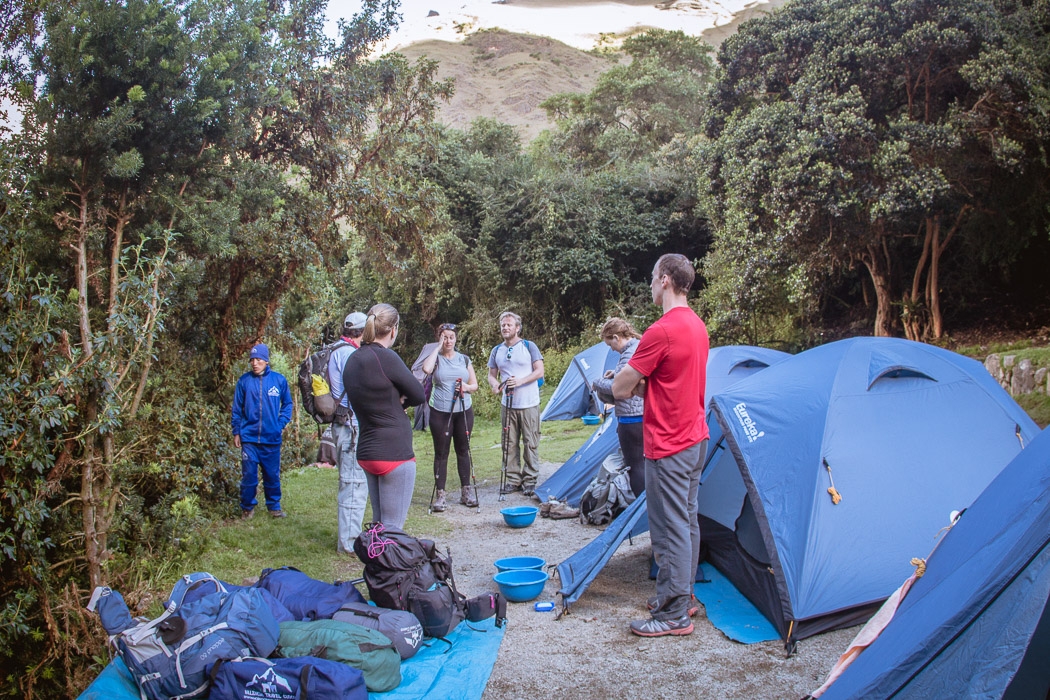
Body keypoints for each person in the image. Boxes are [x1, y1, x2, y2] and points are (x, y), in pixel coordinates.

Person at [613, 254, 709, 637]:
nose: (650, 284)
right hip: (695, 439)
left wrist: (636, 381)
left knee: (669, 529)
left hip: (668, 443)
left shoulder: (662, 330)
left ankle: (673, 614)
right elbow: (672, 378)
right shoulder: (697, 325)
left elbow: (620, 388)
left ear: (666, 280)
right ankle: (681, 596)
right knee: (687, 522)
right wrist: (647, 381)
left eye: (653, 277)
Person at [344, 304, 425, 529]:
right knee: (392, 530)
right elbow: (419, 394)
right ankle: (390, 564)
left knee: (379, 527)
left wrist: (394, 398)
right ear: (393, 329)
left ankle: (375, 564)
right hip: (394, 452)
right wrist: (402, 401)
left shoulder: (353, 360)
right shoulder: (386, 357)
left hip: (367, 450)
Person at [231, 343, 294, 519]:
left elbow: (288, 404)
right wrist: (237, 432)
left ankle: (274, 507)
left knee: (272, 475)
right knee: (249, 476)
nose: (255, 363)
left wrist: (280, 423)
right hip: (249, 438)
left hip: (271, 439)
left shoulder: (278, 380)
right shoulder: (244, 381)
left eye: (258, 359)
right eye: (252, 360)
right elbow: (236, 409)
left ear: (266, 361)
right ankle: (247, 508)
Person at [422, 323, 480, 511]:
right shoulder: (436, 358)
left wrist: (466, 387)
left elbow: (474, 385)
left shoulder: (464, 359)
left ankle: (466, 493)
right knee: (441, 453)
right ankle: (440, 496)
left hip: (463, 410)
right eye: (445, 337)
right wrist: (437, 347)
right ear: (440, 338)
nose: (448, 341)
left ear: (456, 339)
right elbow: (426, 369)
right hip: (440, 412)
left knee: (463, 450)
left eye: (451, 337)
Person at [487, 311, 545, 496]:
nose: (505, 328)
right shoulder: (497, 350)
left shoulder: (529, 346)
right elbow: (491, 375)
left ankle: (530, 479)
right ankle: (513, 479)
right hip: (508, 404)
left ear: (517, 328)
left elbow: (540, 371)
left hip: (528, 403)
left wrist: (520, 381)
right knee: (509, 443)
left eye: (509, 325)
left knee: (530, 442)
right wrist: (495, 385)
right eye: (503, 325)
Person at [591, 317, 646, 498]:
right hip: (640, 414)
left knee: (635, 466)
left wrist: (597, 382)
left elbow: (618, 388)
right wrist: (616, 373)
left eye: (610, 344)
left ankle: (639, 512)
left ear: (616, 337)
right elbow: (631, 374)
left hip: (632, 418)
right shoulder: (637, 347)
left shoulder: (628, 353)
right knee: (642, 465)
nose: (612, 349)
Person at [327, 311, 367, 553]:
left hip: (340, 423)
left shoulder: (335, 350)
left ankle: (349, 537)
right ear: (362, 331)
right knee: (353, 483)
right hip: (351, 425)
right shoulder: (351, 354)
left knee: (349, 482)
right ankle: (350, 544)